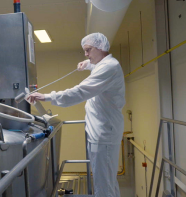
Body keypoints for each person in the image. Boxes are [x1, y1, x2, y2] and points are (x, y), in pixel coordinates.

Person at [27, 32, 125, 197]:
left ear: (100, 48)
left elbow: (80, 92)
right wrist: (87, 64)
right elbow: (96, 66)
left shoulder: (109, 67)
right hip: (101, 132)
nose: (86, 54)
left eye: (88, 50)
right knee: (107, 179)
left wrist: (47, 96)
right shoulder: (105, 64)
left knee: (104, 185)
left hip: (104, 134)